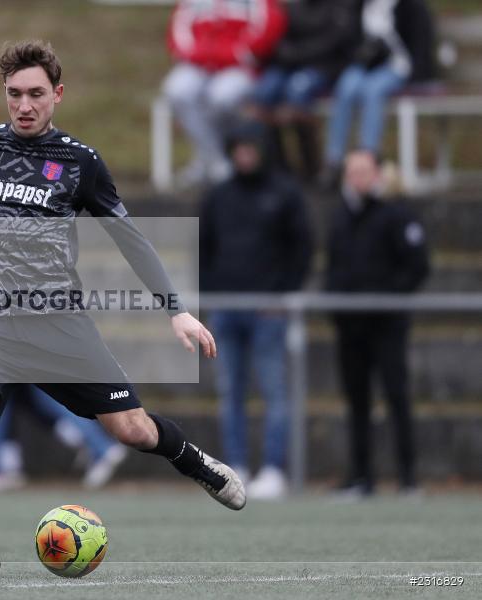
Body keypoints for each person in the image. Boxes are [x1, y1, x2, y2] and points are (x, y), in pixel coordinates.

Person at [0, 41, 246, 577]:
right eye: (14, 94)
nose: (24, 105)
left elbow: (129, 239)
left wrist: (175, 309)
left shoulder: (80, 161)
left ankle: (194, 462)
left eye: (35, 94)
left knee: (131, 430)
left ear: (57, 94)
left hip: (58, 321)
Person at [200, 120, 312, 500]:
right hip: (226, 312)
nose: (245, 154)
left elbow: (302, 249)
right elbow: (204, 248)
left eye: (251, 147)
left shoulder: (285, 193)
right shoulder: (219, 195)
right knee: (230, 392)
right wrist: (209, 295)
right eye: (239, 147)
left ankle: (274, 469)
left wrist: (281, 296)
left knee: (274, 391)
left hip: (269, 313)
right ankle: (234, 468)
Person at [325, 149, 429, 497]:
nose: (358, 178)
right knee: (357, 402)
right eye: (352, 171)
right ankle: (361, 478)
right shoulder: (341, 217)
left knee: (397, 396)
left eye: (364, 171)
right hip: (351, 328)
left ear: (378, 173)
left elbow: (417, 267)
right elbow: (333, 268)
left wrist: (386, 297)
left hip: (387, 326)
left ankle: (408, 478)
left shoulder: (396, 215)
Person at [162, 0, 286, 186]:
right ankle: (214, 160)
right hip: (199, 63)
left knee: (223, 97)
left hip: (240, 66)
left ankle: (219, 157)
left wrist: (236, 53)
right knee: (177, 89)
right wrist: (195, 54)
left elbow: (269, 26)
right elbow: (179, 27)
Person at [321, 0, 436, 186]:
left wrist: (419, 76)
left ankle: (369, 156)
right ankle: (334, 159)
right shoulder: (361, 5)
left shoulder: (409, 5)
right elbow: (351, 40)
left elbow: (421, 41)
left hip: (398, 66)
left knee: (372, 91)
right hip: (367, 65)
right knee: (345, 87)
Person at [247, 0, 361, 180]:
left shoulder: (336, 8)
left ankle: (311, 167)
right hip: (289, 65)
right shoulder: (292, 9)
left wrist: (299, 54)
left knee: (297, 92)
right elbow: (280, 40)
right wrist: (288, 55)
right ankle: (278, 165)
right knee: (264, 93)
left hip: (323, 66)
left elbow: (335, 42)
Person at [0, 385, 128, 490]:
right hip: (22, 357)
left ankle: (99, 447)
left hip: (17, 356)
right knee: (31, 404)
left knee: (41, 400)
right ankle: (7, 467)